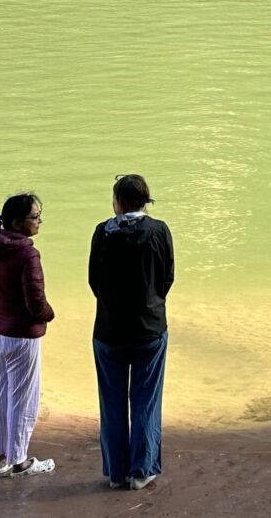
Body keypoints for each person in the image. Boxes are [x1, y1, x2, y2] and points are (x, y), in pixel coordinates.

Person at [89, 172, 174, 491]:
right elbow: (167, 277)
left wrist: (114, 306)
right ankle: (142, 470)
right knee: (145, 400)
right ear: (145, 200)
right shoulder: (160, 231)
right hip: (149, 329)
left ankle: (116, 473)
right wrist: (150, 303)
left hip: (109, 330)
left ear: (118, 202)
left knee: (111, 403)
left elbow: (94, 281)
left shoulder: (102, 233)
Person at [0, 192, 56, 477]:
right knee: (23, 398)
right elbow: (36, 302)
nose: (40, 221)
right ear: (18, 223)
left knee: (2, 394)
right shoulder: (27, 252)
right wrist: (49, 314)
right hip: (22, 337)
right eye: (35, 216)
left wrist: (3, 304)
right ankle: (20, 462)